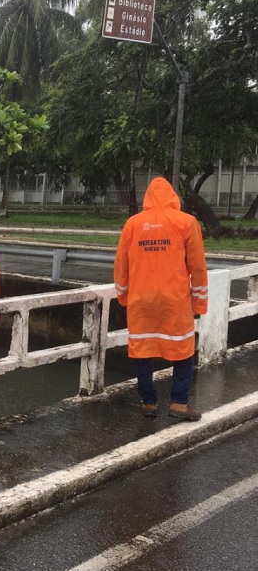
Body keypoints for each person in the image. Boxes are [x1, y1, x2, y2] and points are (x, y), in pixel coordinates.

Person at [113, 177, 208, 421]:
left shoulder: (133, 224)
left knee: (142, 350)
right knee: (183, 349)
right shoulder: (187, 223)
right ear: (172, 197)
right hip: (174, 300)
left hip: (140, 301)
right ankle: (178, 403)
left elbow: (121, 265)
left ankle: (148, 402)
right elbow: (197, 267)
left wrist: (123, 296)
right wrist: (199, 303)